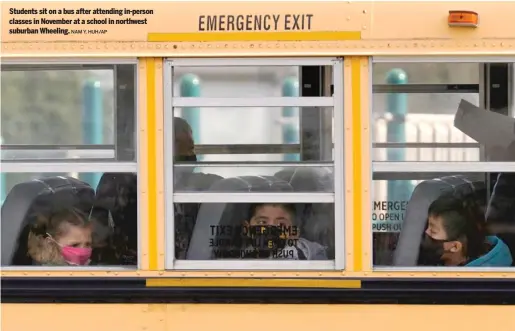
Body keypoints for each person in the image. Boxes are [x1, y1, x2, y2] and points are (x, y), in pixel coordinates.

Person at [419, 193, 513, 267]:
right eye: (428, 226)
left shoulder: (471, 284)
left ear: (455, 246)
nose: (426, 232)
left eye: (433, 231)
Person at [240, 203, 327, 260]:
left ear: (294, 233)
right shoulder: (247, 252)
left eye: (281, 224)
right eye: (262, 222)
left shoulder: (295, 256)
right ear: (247, 229)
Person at [27, 208, 93, 266]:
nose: (83, 250)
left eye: (88, 244)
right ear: (51, 243)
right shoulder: (47, 273)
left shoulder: (92, 269)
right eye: (74, 245)